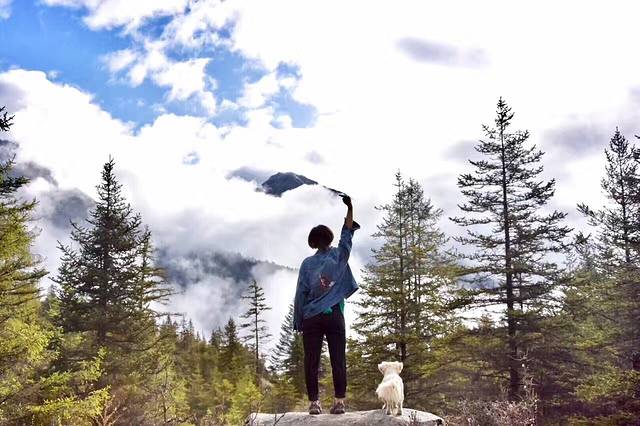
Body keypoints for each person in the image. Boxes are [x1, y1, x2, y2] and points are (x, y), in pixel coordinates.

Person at [293, 194, 360, 415]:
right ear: (329, 239)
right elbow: (347, 233)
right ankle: (339, 402)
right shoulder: (339, 255)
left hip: (311, 317)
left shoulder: (307, 264)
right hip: (334, 316)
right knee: (338, 359)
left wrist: (298, 321)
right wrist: (350, 207)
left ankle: (314, 403)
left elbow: (301, 294)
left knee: (311, 361)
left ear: (313, 242)